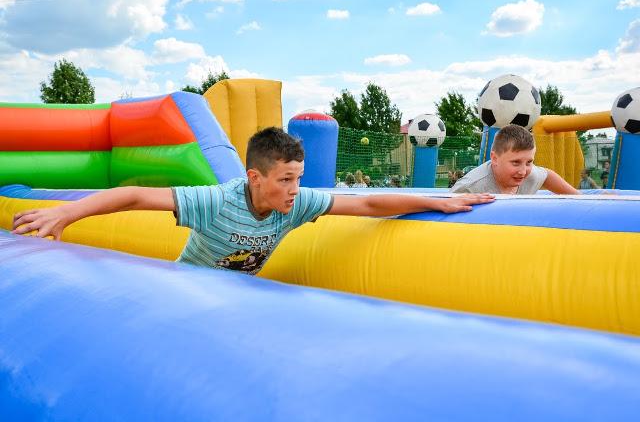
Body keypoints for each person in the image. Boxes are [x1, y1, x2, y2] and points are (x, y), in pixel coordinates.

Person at [12, 127, 494, 275]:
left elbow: (366, 206)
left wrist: (435, 203)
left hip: (241, 294)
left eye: (298, 178)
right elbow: (136, 194)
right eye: (285, 179)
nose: (295, 189)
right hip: (191, 286)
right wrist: (66, 211)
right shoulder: (215, 201)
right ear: (254, 178)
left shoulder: (297, 203)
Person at [450, 124, 579, 195]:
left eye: (529, 162)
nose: (523, 171)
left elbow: (547, 176)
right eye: (515, 162)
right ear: (495, 158)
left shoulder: (530, 176)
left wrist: (579, 199)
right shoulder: (470, 188)